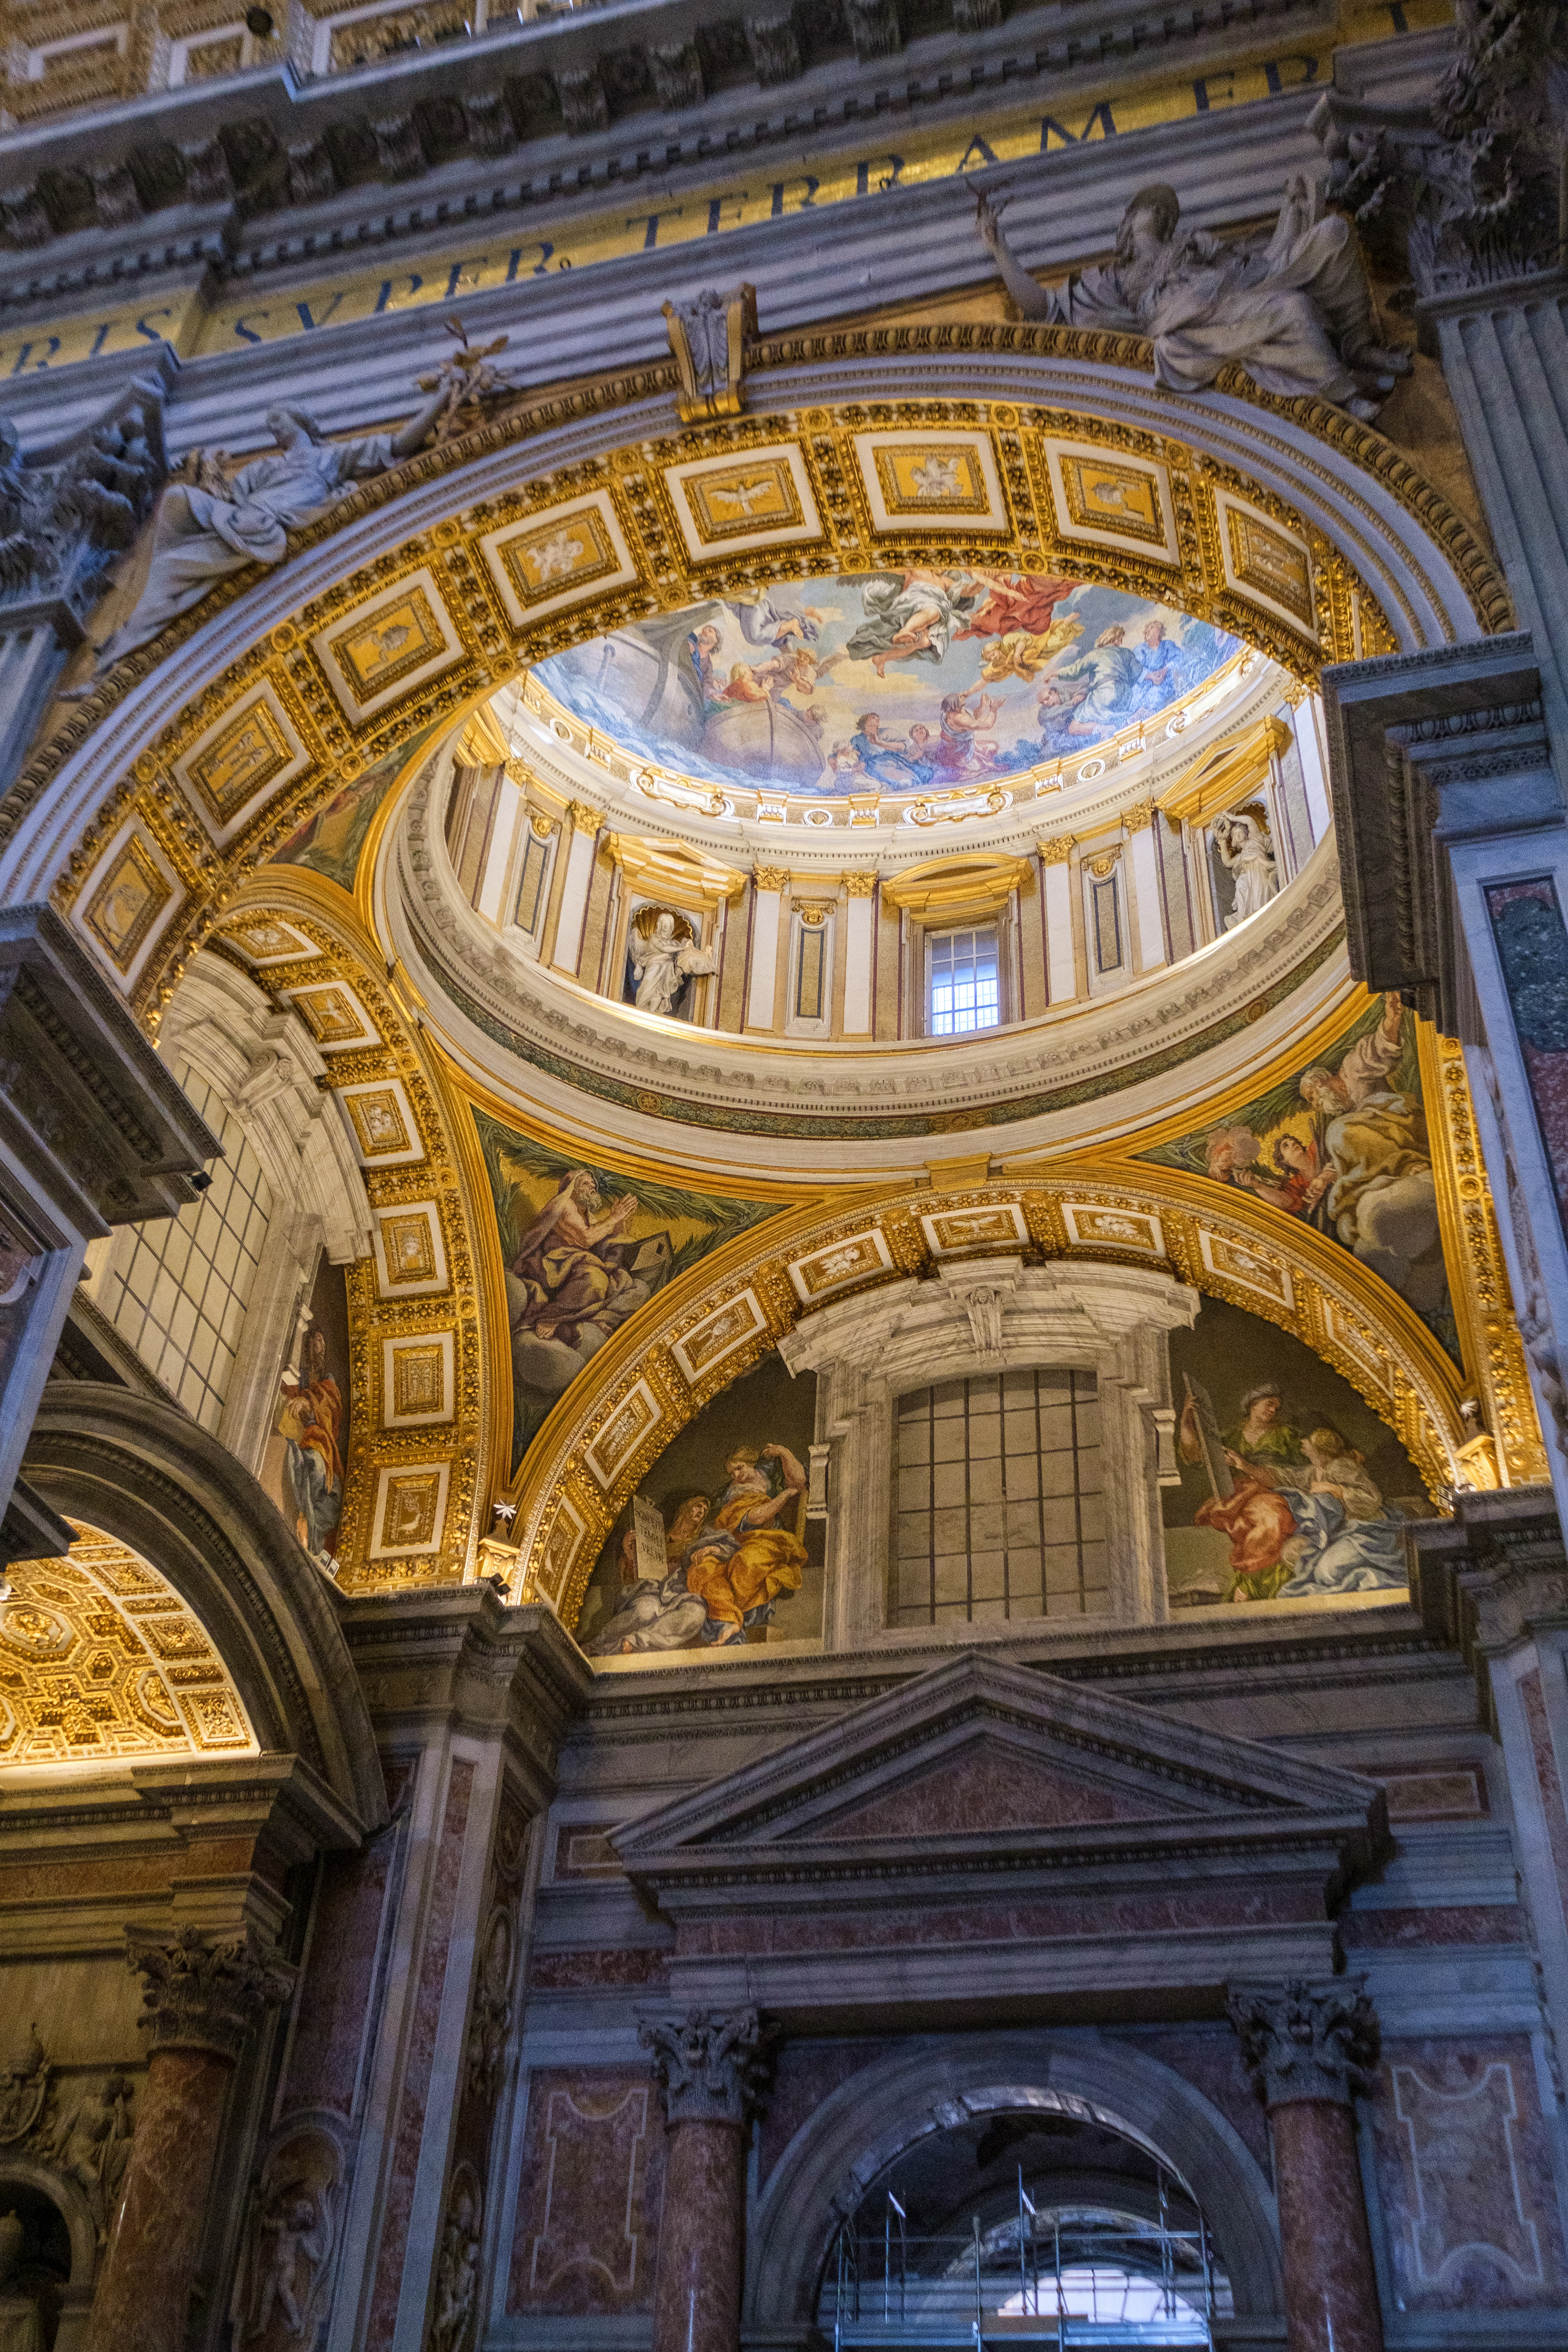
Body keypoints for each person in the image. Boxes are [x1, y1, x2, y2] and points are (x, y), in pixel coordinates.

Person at [974, 179, 1410, 419]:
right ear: (1127, 224)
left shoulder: (1193, 243)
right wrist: (999, 248)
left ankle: (1360, 347)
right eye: (1151, 208)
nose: (1162, 214)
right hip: (1183, 321)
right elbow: (1044, 310)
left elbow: (1261, 263)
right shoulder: (1110, 278)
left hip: (1230, 295)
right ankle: (1345, 393)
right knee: (1294, 310)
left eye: (1167, 213)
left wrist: (1291, 212)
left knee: (1333, 236)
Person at [88, 383, 452, 670]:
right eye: (270, 425)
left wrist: (444, 396)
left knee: (170, 566)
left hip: (268, 527)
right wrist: (211, 474)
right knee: (176, 503)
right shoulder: (263, 469)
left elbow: (402, 443)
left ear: (301, 421)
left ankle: (118, 653)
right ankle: (120, 653)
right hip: (244, 522)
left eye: (279, 420)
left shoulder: (333, 458)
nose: (274, 429)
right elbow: (230, 499)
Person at [1299, 994, 1442, 1311]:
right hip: (1380, 1140)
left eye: (1314, 1096)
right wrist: (1323, 1181)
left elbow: (1379, 1050)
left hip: (1401, 1123)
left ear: (1324, 1081)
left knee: (1340, 1133)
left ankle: (1411, 1166)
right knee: (1345, 1208)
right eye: (1312, 1102)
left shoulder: (1351, 1069)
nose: (1316, 1104)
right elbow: (1346, 1159)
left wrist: (1392, 1021)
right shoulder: (1343, 1119)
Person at [683, 1442, 809, 1644]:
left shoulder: (769, 1473)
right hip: (737, 1540)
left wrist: (784, 1453)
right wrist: (785, 1495)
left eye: (739, 1468)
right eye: (732, 1472)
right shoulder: (732, 1493)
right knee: (707, 1569)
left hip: (769, 1539)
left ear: (752, 1463)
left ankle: (736, 1618)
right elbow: (753, 1519)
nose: (736, 1475)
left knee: (747, 1562)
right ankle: (729, 1620)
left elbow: (800, 1481)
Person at [510, 1170, 639, 1345]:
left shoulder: (588, 1215)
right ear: (572, 1188)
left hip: (575, 1264)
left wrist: (621, 1220)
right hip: (553, 1266)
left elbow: (607, 1241)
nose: (593, 1186)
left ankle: (592, 1318)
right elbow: (586, 1240)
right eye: (586, 1183)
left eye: (594, 1184)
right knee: (595, 1280)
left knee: (623, 1280)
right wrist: (614, 1217)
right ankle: (551, 1318)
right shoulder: (565, 1205)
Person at [276, 1324, 344, 1567]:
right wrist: (295, 1399)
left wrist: (309, 1403)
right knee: (301, 1457)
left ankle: (310, 1522)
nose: (315, 1346)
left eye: (319, 1342)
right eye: (312, 1342)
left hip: (320, 1436)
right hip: (300, 1430)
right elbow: (288, 1390)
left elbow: (332, 1405)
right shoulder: (300, 1373)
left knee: (315, 1462)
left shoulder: (328, 1379)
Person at [628, 909, 715, 1018]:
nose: (666, 926)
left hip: (667, 970)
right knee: (647, 987)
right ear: (660, 924)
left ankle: (653, 1013)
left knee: (659, 992)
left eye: (668, 924)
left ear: (671, 926)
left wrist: (702, 954)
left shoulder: (674, 943)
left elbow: (687, 955)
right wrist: (683, 947)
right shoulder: (654, 938)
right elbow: (664, 948)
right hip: (654, 967)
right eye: (664, 923)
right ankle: (641, 1008)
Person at [1215, 804, 1279, 928]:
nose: (1238, 836)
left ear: (1246, 834)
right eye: (1235, 835)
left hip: (1258, 871)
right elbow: (1227, 863)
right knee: (1240, 887)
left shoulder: (1255, 840)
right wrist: (1223, 843)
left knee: (1258, 891)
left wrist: (1232, 818)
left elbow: (1250, 821)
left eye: (1240, 833)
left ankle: (1260, 909)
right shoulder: (1240, 856)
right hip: (1246, 874)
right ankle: (1244, 917)